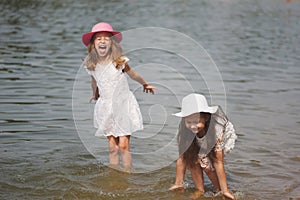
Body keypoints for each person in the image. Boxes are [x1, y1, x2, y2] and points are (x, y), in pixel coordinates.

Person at [81, 22, 156, 171]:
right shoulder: (92, 64)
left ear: (112, 43)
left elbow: (133, 74)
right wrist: (95, 94)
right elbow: (94, 82)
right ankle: (114, 176)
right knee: (113, 148)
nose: (102, 41)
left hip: (123, 104)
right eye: (98, 38)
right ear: (93, 44)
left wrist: (145, 84)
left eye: (106, 38)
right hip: (106, 106)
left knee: (123, 145)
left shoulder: (119, 61)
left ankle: (127, 174)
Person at [169, 93, 237, 199]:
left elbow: (218, 161)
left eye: (196, 122)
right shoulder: (185, 128)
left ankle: (218, 189)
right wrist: (178, 183)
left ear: (205, 118)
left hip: (219, 137)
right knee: (191, 157)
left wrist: (226, 190)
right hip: (201, 136)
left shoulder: (217, 130)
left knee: (207, 163)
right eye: (189, 122)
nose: (192, 126)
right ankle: (199, 190)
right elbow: (182, 158)